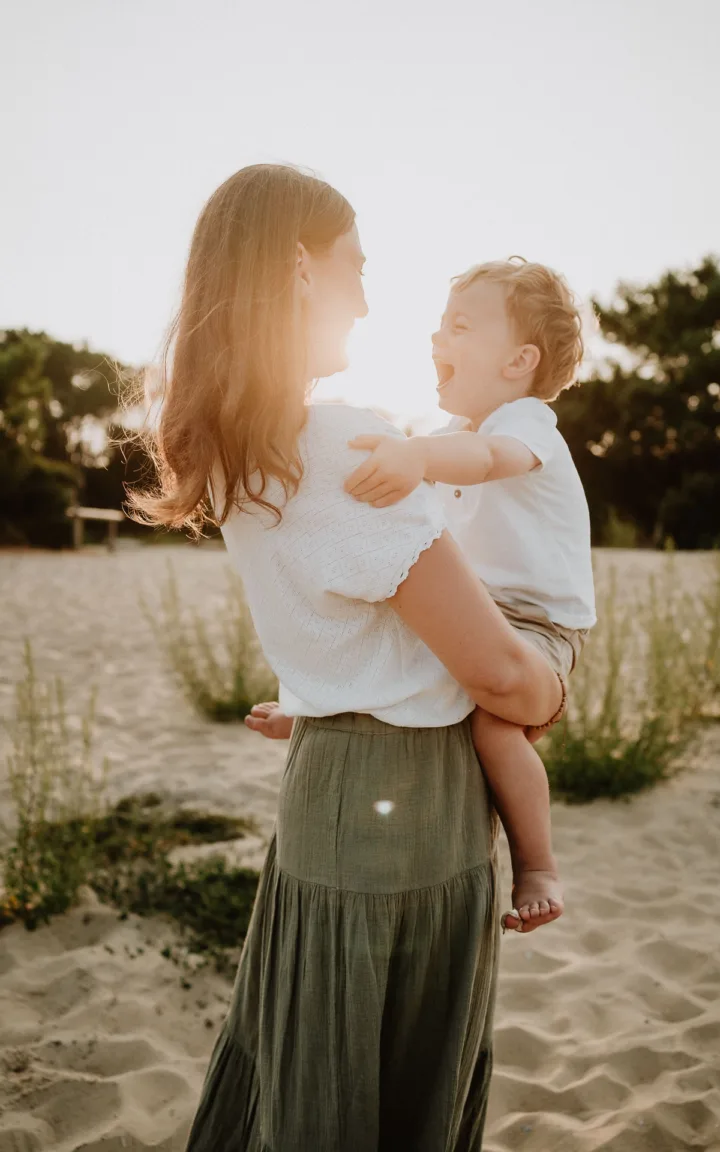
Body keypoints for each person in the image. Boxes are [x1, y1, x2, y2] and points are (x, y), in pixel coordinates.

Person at [127, 164, 563, 1152]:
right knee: (395, 1087)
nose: (369, 298)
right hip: (409, 805)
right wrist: (554, 683)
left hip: (320, 783)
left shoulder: (238, 453)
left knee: (306, 1072)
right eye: (354, 267)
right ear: (298, 269)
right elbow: (497, 674)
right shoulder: (343, 441)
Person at [250, 258, 597, 933]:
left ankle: (537, 865)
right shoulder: (447, 439)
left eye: (460, 327)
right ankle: (322, 712)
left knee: (494, 727)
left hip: (537, 626)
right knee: (399, 642)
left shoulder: (527, 424)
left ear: (519, 360)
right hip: (482, 612)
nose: (438, 340)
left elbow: (491, 461)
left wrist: (417, 462)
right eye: (439, 326)